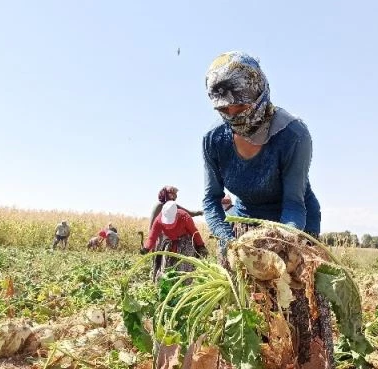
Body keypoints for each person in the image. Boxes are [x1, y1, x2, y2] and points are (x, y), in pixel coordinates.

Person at [201, 51, 332, 367]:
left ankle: (301, 359)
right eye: (225, 108)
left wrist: (281, 242)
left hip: (293, 223)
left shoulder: (293, 134)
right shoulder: (213, 141)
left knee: (296, 305)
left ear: (259, 95)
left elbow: (294, 202)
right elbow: (211, 200)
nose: (232, 113)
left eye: (240, 105)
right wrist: (228, 239)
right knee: (243, 306)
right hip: (243, 225)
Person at [141, 201, 207, 281]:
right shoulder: (158, 220)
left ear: (176, 215)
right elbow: (152, 238)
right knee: (166, 269)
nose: (168, 226)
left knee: (183, 268)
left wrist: (201, 245)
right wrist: (146, 248)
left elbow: (194, 232)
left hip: (185, 242)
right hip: (170, 242)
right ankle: (165, 285)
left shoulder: (184, 216)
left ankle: (184, 286)